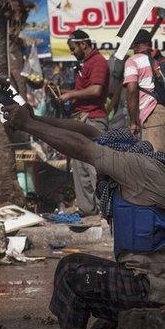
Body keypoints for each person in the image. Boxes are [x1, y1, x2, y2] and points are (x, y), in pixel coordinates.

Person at [1, 104, 165, 329]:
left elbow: (82, 147)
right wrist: (37, 118)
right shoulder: (140, 160)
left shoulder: (134, 167)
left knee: (70, 270)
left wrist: (28, 125)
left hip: (155, 290)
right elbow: (88, 133)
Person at [59, 30, 109, 216]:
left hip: (93, 119)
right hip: (81, 118)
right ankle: (88, 210)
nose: (72, 52)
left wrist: (70, 94)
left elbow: (96, 90)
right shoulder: (85, 64)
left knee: (94, 167)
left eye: (73, 48)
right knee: (79, 166)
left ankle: (105, 210)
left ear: (83, 44)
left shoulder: (98, 62)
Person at [124, 30, 165, 172]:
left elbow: (131, 89)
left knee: (156, 165)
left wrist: (133, 121)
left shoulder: (133, 61)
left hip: (152, 115)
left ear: (134, 45)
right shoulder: (162, 61)